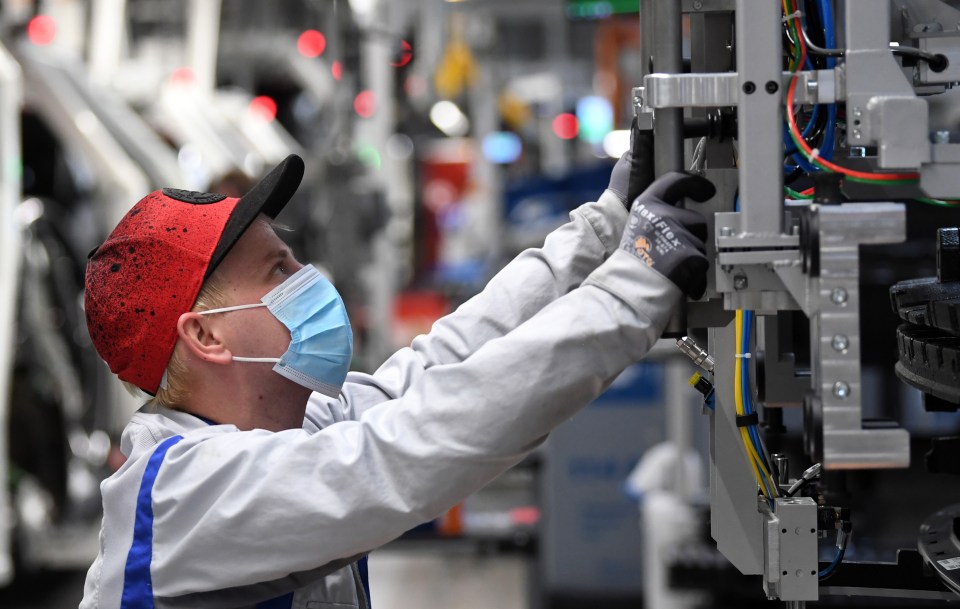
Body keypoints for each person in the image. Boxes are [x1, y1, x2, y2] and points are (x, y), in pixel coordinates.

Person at [79, 147, 714, 609]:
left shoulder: (293, 426)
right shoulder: (182, 492)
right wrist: (633, 285)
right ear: (206, 336)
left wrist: (605, 229)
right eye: (278, 272)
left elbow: (439, 367)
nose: (311, 280)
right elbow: (411, 448)